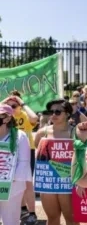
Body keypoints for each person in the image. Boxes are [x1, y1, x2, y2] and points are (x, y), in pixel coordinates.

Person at [34, 99, 78, 225]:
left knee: (72, 219)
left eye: (58, 112)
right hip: (48, 182)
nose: (53, 115)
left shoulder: (75, 133)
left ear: (67, 114)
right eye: (50, 112)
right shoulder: (42, 133)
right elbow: (39, 150)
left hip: (68, 182)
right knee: (52, 218)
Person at [1, 91, 38, 224]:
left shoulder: (20, 134)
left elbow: (23, 164)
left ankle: (30, 211)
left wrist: (6, 183)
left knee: (10, 220)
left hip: (12, 183)